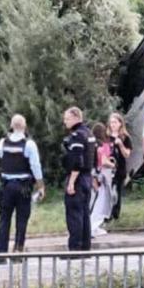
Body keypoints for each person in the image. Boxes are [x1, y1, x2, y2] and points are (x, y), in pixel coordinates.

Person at [0, 114, 45, 259]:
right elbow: (36, 166)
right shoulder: (29, 144)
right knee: (21, 220)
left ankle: (0, 254)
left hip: (6, 187)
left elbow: (1, 158)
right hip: (23, 186)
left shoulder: (2, 143)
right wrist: (41, 186)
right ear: (24, 126)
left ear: (11, 126)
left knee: (4, 220)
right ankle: (18, 251)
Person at [62, 107, 96, 251]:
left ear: (76, 117)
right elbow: (93, 157)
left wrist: (71, 182)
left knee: (74, 214)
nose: (65, 122)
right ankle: (85, 247)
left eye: (67, 119)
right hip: (87, 177)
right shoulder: (89, 133)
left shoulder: (77, 136)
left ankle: (75, 248)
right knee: (84, 214)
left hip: (78, 178)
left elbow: (77, 161)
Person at [90, 123, 115, 237]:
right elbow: (104, 161)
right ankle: (94, 226)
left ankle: (91, 226)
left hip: (94, 175)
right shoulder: (104, 146)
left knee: (93, 202)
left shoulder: (92, 145)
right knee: (102, 202)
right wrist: (113, 165)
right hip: (103, 177)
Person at [108, 113, 132, 220]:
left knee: (117, 192)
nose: (112, 124)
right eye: (111, 122)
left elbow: (127, 154)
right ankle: (106, 214)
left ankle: (115, 214)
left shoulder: (125, 137)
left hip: (120, 168)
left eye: (115, 122)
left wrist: (121, 144)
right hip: (108, 168)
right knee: (107, 192)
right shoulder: (107, 137)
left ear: (120, 124)